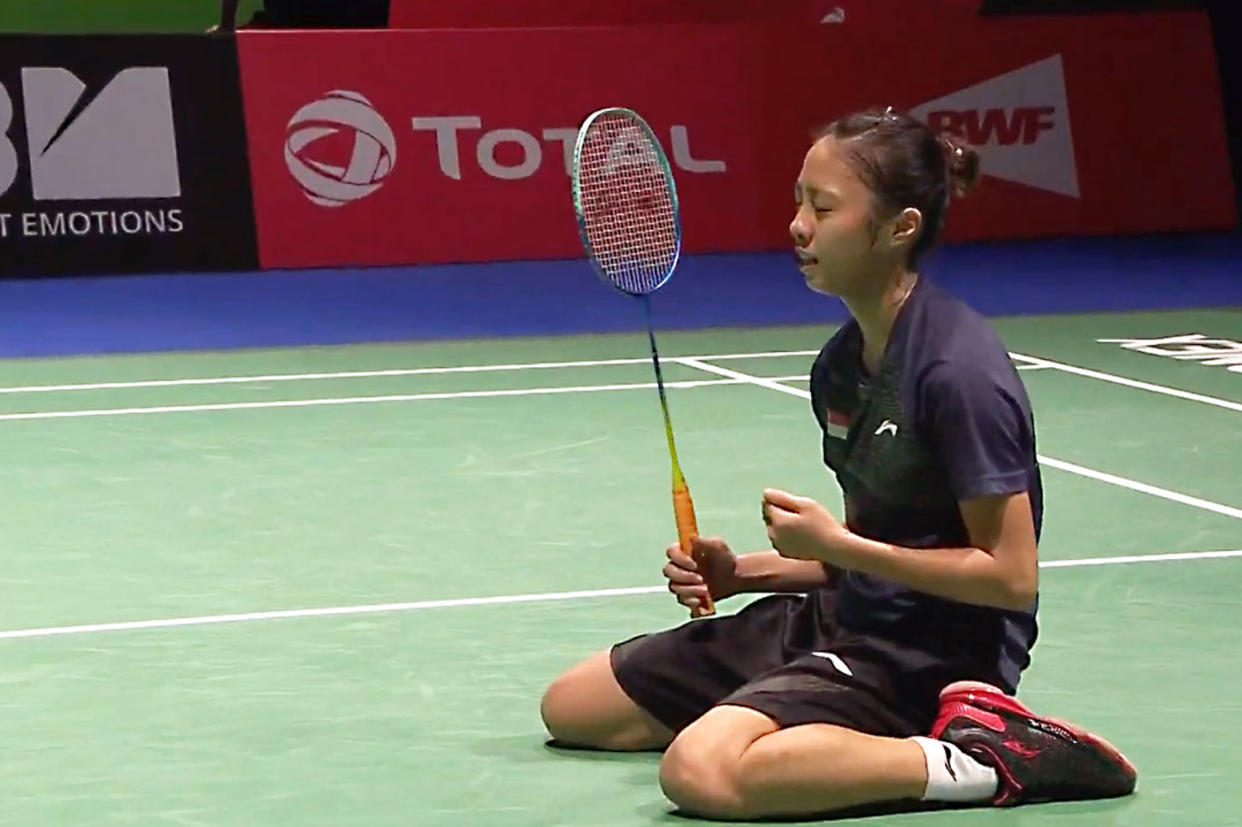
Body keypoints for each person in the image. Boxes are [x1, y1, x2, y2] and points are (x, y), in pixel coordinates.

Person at [539, 107, 1137, 820]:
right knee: (575, 706)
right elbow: (871, 552)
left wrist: (838, 545)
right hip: (843, 618)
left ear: (899, 228)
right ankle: (794, 720)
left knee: (701, 770)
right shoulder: (840, 367)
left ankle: (981, 757)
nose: (797, 225)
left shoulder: (957, 372)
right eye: (798, 200)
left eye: (822, 208)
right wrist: (745, 574)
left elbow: (1011, 577)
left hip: (929, 654)